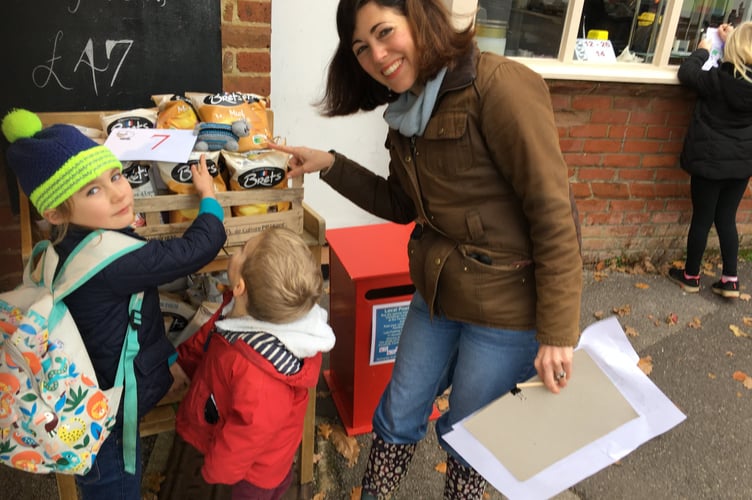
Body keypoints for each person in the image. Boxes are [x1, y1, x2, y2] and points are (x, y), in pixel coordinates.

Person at [266, 1, 583, 498]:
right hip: (436, 294)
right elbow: (399, 203)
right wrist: (330, 163)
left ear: (419, 19)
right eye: (361, 48)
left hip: (505, 309)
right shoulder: (408, 111)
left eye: (385, 32)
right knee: (398, 411)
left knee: (471, 436)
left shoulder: (499, 87)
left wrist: (558, 332)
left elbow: (554, 214)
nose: (377, 55)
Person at [1, 108, 227, 499]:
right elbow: (195, 249)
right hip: (107, 414)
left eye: (115, 176)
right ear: (54, 212)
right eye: (93, 190)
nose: (119, 193)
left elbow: (127, 322)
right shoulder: (116, 261)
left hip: (84, 388)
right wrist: (208, 197)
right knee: (115, 486)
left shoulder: (57, 246)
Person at [171, 227, 335, 500]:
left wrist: (216, 470)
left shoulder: (261, 377)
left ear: (241, 286)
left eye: (243, 250)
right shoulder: (242, 310)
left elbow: (245, 438)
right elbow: (213, 333)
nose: (236, 251)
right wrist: (183, 363)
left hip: (254, 473)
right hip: (260, 449)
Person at [668, 22, 751, 299]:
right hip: (741, 165)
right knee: (726, 218)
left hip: (709, 161)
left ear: (733, 50)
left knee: (702, 219)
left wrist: (702, 52)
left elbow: (687, 73)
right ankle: (730, 279)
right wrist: (732, 42)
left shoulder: (716, 80)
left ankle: (691, 276)